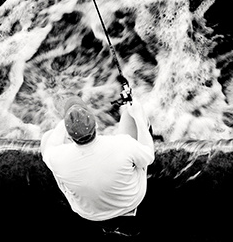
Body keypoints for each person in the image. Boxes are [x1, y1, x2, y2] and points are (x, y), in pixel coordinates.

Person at [40, 84, 155, 223]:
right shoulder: (123, 144)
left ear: (69, 136)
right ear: (96, 125)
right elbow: (149, 157)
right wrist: (137, 114)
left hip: (88, 213)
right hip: (131, 202)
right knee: (131, 115)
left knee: (47, 138)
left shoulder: (56, 157)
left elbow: (49, 145)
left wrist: (68, 121)